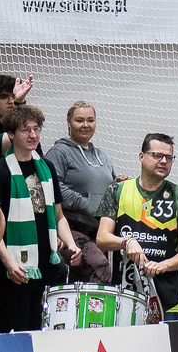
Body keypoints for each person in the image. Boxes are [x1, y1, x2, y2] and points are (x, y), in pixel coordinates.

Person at [0, 105, 83, 333]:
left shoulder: (47, 167)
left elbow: (58, 215)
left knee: (42, 331)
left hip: (45, 266)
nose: (33, 135)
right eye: (25, 129)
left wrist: (71, 244)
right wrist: (9, 263)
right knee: (16, 332)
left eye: (36, 129)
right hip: (13, 271)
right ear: (10, 133)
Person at [94, 132, 178, 321]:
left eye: (169, 157)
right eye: (157, 155)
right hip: (124, 296)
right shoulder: (117, 190)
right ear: (141, 156)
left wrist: (163, 265)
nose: (163, 161)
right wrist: (127, 242)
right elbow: (102, 238)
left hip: (167, 299)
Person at [46, 101, 124, 283]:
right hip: (70, 229)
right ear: (69, 122)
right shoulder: (59, 152)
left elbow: (108, 188)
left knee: (82, 282)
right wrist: (85, 203)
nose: (85, 125)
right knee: (100, 269)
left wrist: (119, 184)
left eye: (90, 120)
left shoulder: (102, 156)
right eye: (79, 120)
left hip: (98, 231)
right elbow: (52, 186)